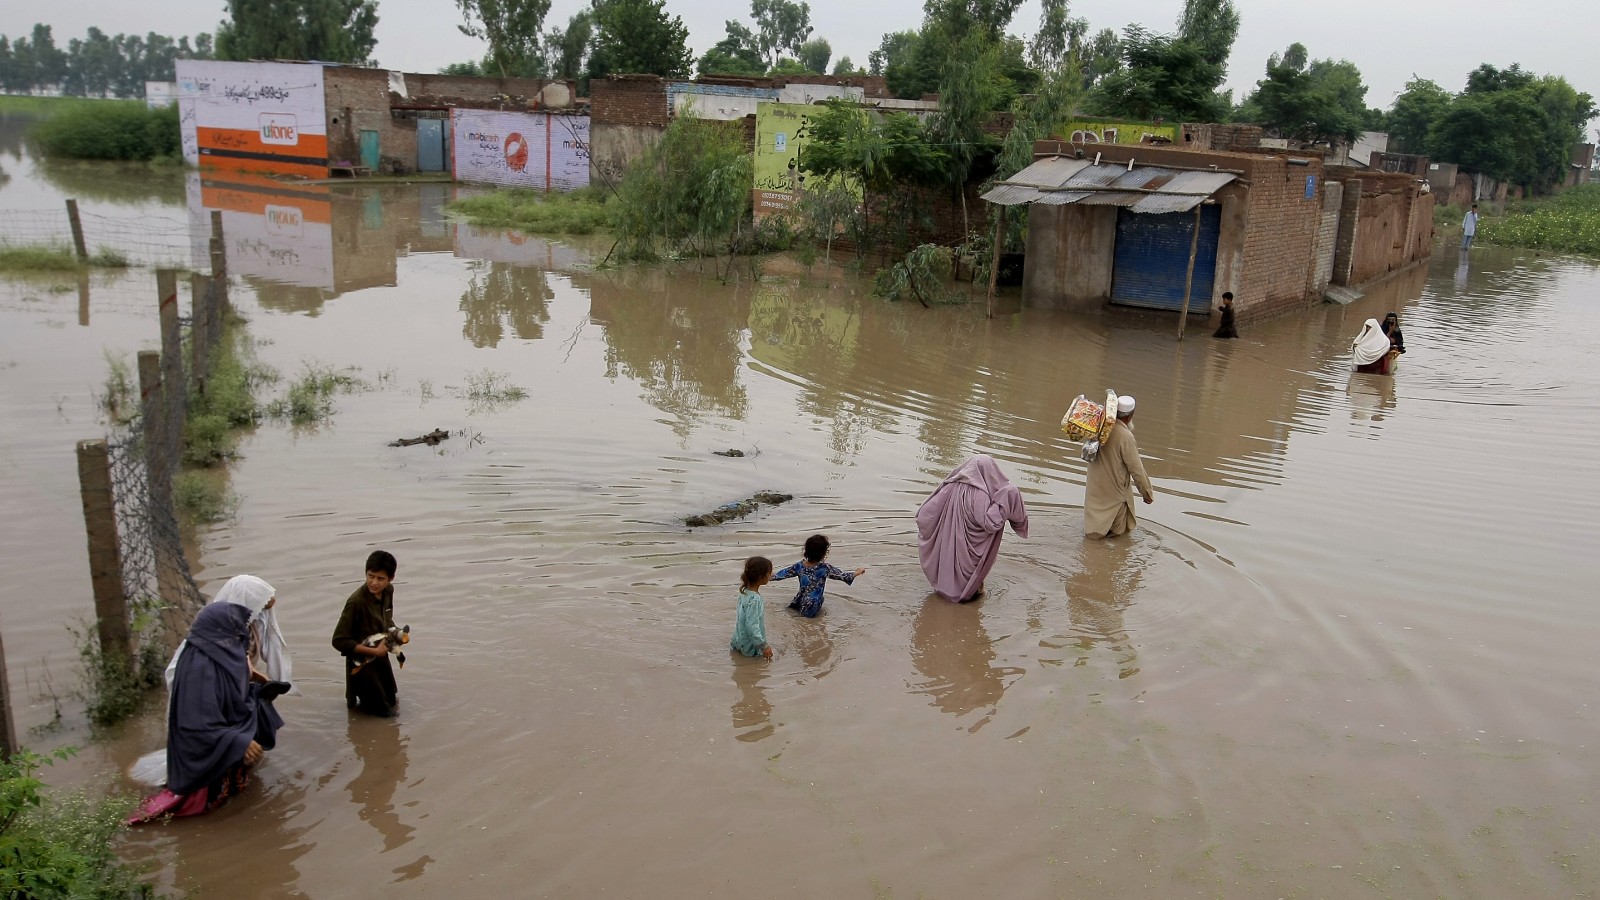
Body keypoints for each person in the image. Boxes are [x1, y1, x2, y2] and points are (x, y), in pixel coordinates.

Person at [128, 575, 289, 823]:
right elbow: (197, 721)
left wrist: (256, 685)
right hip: (203, 735)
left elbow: (233, 695)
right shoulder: (201, 667)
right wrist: (239, 741)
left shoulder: (227, 647)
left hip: (217, 724)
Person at [915, 454, 1029, 602]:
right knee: (968, 597)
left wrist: (945, 528)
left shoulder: (950, 485)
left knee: (948, 585)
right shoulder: (980, 493)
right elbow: (989, 523)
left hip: (951, 547)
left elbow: (924, 515)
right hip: (967, 553)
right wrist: (1007, 498)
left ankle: (945, 599)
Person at [333, 550, 401, 717]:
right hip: (361, 664)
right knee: (383, 715)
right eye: (370, 576)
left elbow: (386, 620)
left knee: (392, 702)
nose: (374, 582)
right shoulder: (356, 601)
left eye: (380, 578)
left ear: (390, 579)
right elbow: (339, 641)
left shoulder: (388, 591)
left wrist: (396, 633)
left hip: (380, 658)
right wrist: (374, 652)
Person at [1083, 395, 1154, 539]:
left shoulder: (1097, 427)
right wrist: (1147, 493)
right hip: (1115, 496)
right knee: (1118, 539)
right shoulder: (1125, 436)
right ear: (1129, 417)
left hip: (1095, 491)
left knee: (1094, 535)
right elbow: (1137, 470)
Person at [772, 534, 865, 618]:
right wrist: (857, 572)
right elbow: (843, 576)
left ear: (806, 551)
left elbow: (781, 574)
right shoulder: (824, 568)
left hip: (799, 600)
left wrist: (767, 575)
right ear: (824, 553)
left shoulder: (799, 566)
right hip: (813, 604)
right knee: (808, 624)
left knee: (799, 619)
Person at [731, 556, 775, 659]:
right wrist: (764, 646)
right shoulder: (755, 599)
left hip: (737, 639)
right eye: (769, 572)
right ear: (761, 577)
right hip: (750, 646)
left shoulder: (744, 591)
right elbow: (752, 625)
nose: (771, 575)